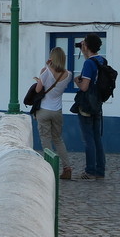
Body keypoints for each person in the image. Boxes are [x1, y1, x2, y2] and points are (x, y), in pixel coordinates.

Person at [32, 47, 71, 179]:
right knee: (58, 140)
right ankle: (67, 168)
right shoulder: (68, 75)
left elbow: (38, 90)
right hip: (57, 111)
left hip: (44, 110)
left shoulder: (45, 72)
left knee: (46, 140)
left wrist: (40, 78)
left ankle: (50, 170)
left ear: (51, 58)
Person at [73, 34, 107, 180]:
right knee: (97, 138)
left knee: (88, 139)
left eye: (83, 45)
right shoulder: (102, 60)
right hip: (98, 104)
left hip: (87, 105)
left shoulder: (88, 64)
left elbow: (85, 87)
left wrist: (76, 81)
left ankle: (90, 170)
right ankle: (100, 170)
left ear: (86, 46)